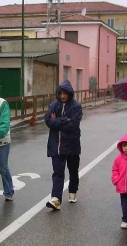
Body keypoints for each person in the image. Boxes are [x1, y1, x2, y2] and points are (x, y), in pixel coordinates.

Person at [45, 80, 83, 210]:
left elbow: (73, 125)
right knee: (58, 172)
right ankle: (56, 199)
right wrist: (63, 120)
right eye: (61, 93)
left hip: (72, 144)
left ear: (70, 94)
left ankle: (72, 191)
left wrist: (57, 121)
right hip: (56, 145)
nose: (63, 96)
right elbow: (48, 121)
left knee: (73, 170)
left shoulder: (76, 106)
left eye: (65, 93)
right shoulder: (53, 105)